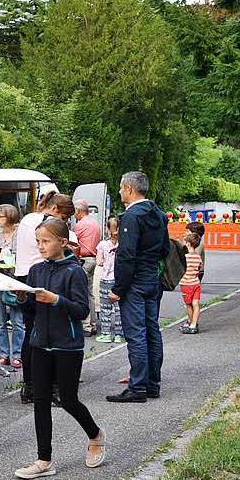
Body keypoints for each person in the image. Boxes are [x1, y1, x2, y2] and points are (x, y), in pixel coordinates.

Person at [13, 218, 105, 479]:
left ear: (63, 243)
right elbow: (31, 312)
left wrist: (56, 300)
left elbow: (81, 310)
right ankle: (44, 460)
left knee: (68, 399)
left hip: (68, 346)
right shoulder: (36, 270)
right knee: (40, 401)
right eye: (38, 242)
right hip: (40, 344)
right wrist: (22, 299)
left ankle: (96, 435)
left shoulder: (74, 271)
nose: (41, 247)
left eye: (46, 241)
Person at [107, 171, 169, 403]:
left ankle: (138, 387)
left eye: (122, 188)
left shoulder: (131, 216)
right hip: (152, 278)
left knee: (136, 334)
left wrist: (118, 288)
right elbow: (165, 248)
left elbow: (127, 255)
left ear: (130, 189)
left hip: (133, 283)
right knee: (152, 331)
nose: (120, 192)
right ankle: (153, 384)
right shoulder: (159, 214)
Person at [14, 192, 76, 403]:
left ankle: (29, 385)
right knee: (52, 330)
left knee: (31, 332)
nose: (64, 222)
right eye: (65, 218)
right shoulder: (48, 223)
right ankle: (54, 386)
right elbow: (69, 247)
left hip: (24, 274)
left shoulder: (27, 218)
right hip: (45, 274)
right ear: (56, 210)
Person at [0, 204, 24, 369]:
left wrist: (6, 258)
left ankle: (18, 354)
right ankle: (4, 354)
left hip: (16, 281)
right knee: (0, 321)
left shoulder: (21, 235)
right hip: (0, 280)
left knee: (18, 321)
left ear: (9, 217)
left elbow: (21, 258)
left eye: (0, 216)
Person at [73, 199, 101, 336]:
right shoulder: (95, 223)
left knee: (82, 292)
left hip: (84, 260)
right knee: (90, 293)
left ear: (78, 211)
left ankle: (87, 325)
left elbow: (73, 241)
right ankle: (93, 323)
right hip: (93, 258)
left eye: (74, 211)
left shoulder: (80, 224)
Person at [95, 217, 123, 344]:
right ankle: (119, 335)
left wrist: (105, 260)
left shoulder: (102, 245)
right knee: (119, 309)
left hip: (106, 280)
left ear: (107, 229)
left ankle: (106, 334)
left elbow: (99, 262)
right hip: (119, 280)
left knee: (105, 308)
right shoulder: (123, 244)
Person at [179, 232, 203, 335]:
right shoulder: (198, 257)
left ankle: (191, 322)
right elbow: (198, 269)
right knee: (196, 304)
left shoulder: (185, 257)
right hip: (196, 283)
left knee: (189, 305)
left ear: (188, 244)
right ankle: (194, 324)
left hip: (186, 284)